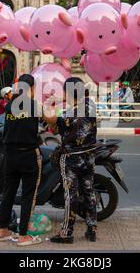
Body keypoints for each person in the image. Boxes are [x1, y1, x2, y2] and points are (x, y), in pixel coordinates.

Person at [44, 77, 98, 244]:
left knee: (71, 196)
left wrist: (48, 105)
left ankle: (66, 233)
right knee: (89, 192)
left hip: (71, 159)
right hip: (89, 157)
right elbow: (79, 97)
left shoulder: (67, 115)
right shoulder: (91, 106)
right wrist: (63, 98)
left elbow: (52, 123)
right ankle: (92, 229)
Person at [0, 74, 43, 247]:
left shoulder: (9, 105)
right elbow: (46, 123)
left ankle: (3, 231)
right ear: (31, 88)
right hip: (27, 154)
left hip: (9, 154)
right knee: (28, 195)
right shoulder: (33, 105)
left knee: (8, 192)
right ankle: (23, 235)